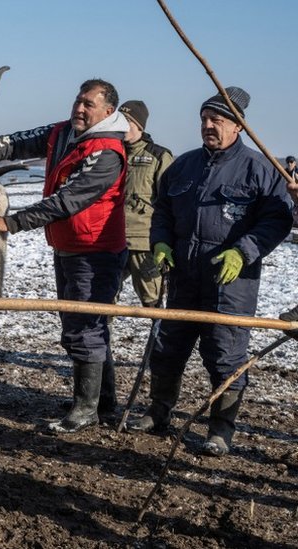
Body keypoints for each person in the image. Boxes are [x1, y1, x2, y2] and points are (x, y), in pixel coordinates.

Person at [125, 87, 294, 457]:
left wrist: (243, 251)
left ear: (238, 126)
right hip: (183, 276)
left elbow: (277, 220)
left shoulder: (261, 169)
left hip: (231, 282)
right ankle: (159, 412)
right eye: (204, 118)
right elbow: (162, 211)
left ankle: (220, 430)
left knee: (225, 355)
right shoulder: (183, 166)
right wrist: (161, 243)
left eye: (217, 119)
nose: (207, 125)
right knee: (168, 348)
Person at [0, 79, 129, 434]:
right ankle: (102, 402)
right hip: (67, 246)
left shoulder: (106, 151)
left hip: (94, 250)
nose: (79, 109)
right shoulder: (62, 132)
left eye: (89, 105)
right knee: (83, 326)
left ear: (108, 112)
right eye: (78, 101)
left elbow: (68, 200)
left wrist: (12, 222)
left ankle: (86, 408)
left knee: (86, 326)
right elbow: (21, 141)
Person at [116, 100, 174, 307]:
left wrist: (166, 239)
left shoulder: (159, 156)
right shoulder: (110, 154)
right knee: (104, 300)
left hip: (144, 242)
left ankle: (158, 339)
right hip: (112, 241)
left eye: (128, 121)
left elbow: (170, 202)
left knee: (154, 302)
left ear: (140, 126)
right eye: (119, 120)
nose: (122, 125)